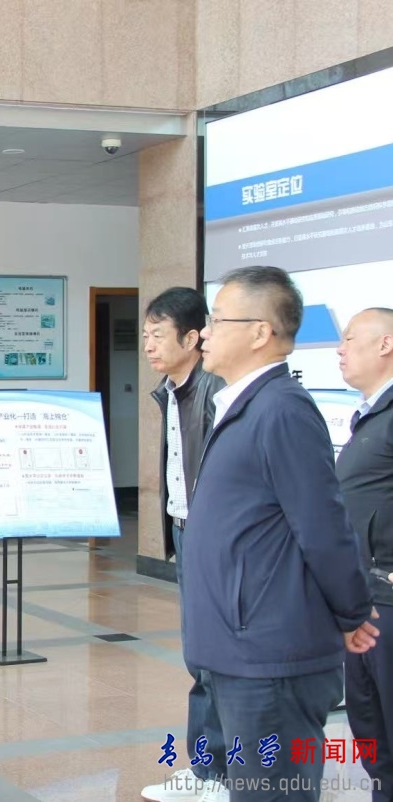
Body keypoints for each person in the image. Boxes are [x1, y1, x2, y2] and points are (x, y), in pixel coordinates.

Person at [183, 266, 377, 801]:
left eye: (218, 320)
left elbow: (323, 525)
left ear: (259, 332)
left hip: (269, 656)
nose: (204, 333)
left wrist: (351, 612)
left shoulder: (281, 409)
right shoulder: (245, 405)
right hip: (239, 648)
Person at [140, 287, 227, 802]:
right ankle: (206, 766)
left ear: (192, 338)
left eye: (158, 334)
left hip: (211, 534)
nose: (149, 345)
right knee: (199, 654)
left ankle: (217, 772)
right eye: (145, 335)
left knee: (213, 656)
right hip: (184, 526)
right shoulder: (171, 391)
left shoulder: (215, 392)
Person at [336, 307, 393, 801]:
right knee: (368, 720)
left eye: (351, 339)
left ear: (385, 345)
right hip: (364, 596)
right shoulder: (371, 415)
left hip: (389, 596)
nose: (340, 349)